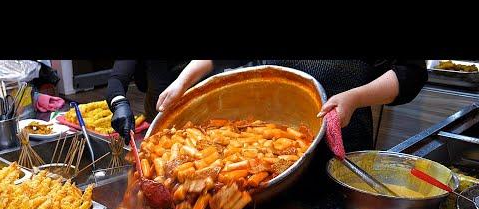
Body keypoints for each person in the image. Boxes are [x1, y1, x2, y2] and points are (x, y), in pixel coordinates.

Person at [156, 59, 428, 152]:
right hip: (262, 137)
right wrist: (182, 81)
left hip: (339, 137)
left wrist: (355, 98)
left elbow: (410, 73)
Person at [106, 60, 189, 144]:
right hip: (156, 113)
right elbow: (118, 77)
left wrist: (182, 82)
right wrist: (118, 102)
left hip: (196, 106)